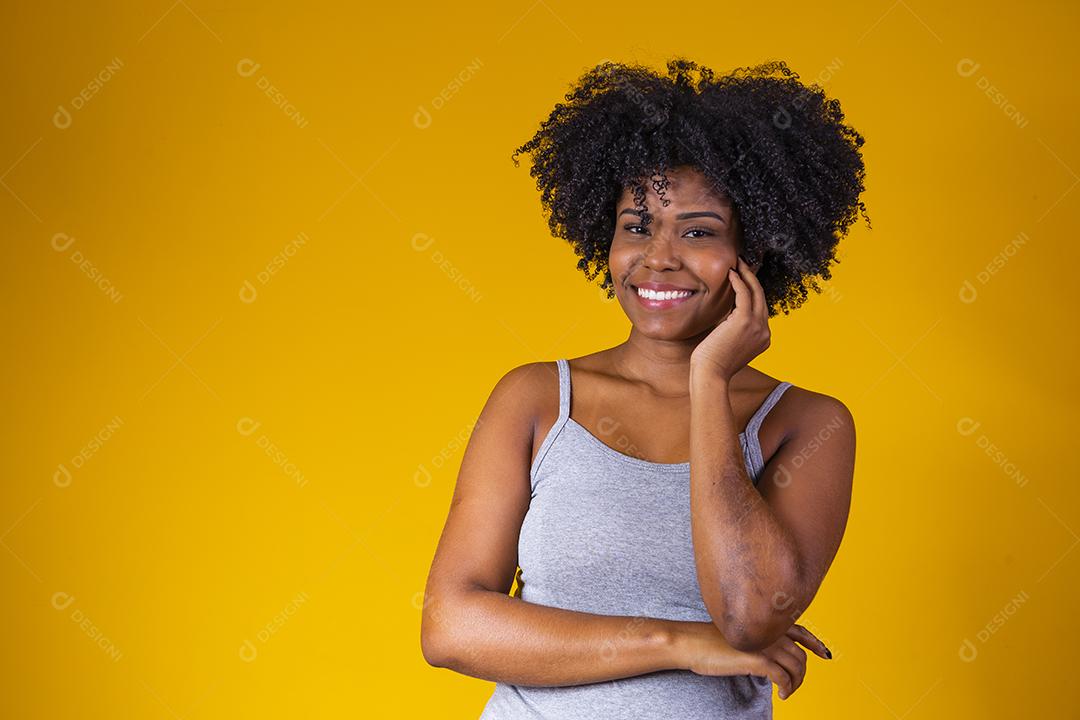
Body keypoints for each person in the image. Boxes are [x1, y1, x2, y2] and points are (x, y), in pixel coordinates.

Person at [421, 57, 866, 718]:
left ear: (758, 252)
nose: (659, 256)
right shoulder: (538, 400)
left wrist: (709, 382)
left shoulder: (806, 424)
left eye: (698, 231)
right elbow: (451, 628)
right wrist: (680, 642)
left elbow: (747, 615)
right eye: (637, 226)